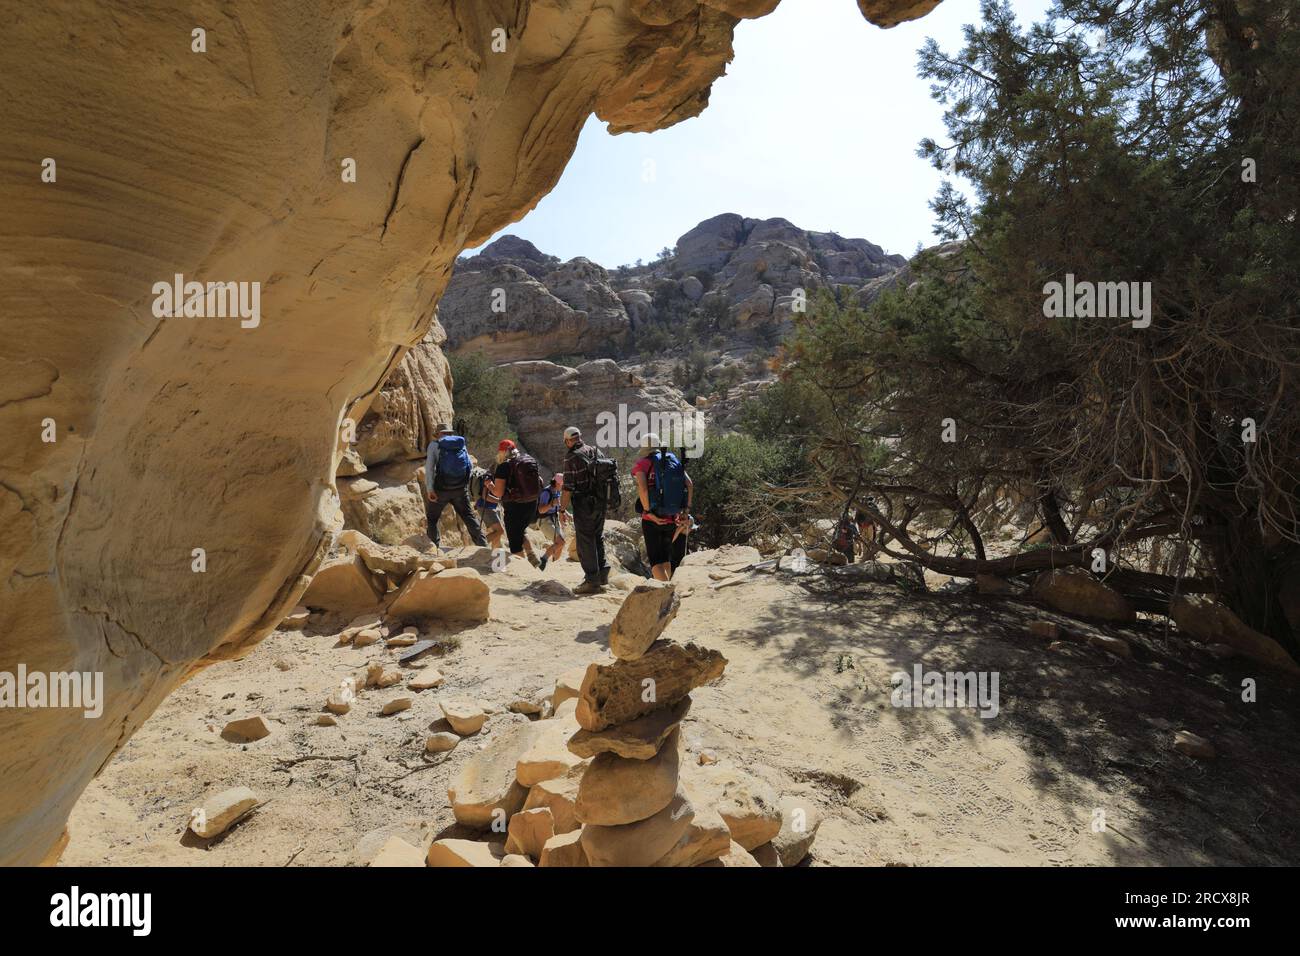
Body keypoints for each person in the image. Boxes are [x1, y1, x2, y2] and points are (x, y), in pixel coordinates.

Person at [631, 434, 693, 581]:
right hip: (672, 516)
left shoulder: (642, 464)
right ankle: (669, 591)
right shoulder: (672, 460)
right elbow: (689, 484)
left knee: (655, 562)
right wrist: (686, 510)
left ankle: (667, 594)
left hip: (652, 519)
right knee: (665, 559)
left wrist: (648, 511)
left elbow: (643, 490)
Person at [560, 426, 610, 594]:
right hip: (601, 502)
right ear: (580, 437)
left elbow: (567, 487)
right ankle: (603, 575)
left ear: (567, 441)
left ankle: (592, 581)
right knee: (598, 536)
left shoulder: (571, 458)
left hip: (583, 504)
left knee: (585, 540)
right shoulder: (596, 451)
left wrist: (562, 509)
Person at [423, 423, 486, 550]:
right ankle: (483, 546)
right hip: (460, 489)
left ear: (439, 434)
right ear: (450, 433)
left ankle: (434, 549)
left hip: (442, 489)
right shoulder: (460, 443)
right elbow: (469, 465)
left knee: (432, 518)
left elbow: (429, 468)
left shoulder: (434, 445)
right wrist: (464, 486)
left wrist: (430, 489)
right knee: (468, 516)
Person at [489, 439, 542, 566]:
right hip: (531, 505)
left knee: (515, 542)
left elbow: (498, 493)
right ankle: (531, 554)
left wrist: (489, 485)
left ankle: (522, 568)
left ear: (503, 452)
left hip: (514, 508)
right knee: (520, 530)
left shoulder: (504, 466)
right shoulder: (527, 460)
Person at [536, 474, 568, 571]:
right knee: (560, 542)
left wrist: (565, 513)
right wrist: (551, 504)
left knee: (561, 543)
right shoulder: (546, 492)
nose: (563, 487)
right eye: (562, 484)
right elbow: (541, 510)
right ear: (557, 483)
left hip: (553, 519)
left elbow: (557, 506)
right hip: (544, 521)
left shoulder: (557, 491)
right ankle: (544, 558)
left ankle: (554, 567)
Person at [471, 464, 504, 551]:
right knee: (500, 531)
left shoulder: (490, 476)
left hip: (488, 507)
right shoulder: (489, 477)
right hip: (486, 507)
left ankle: (494, 556)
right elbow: (485, 496)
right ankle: (478, 545)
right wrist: (500, 501)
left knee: (497, 533)